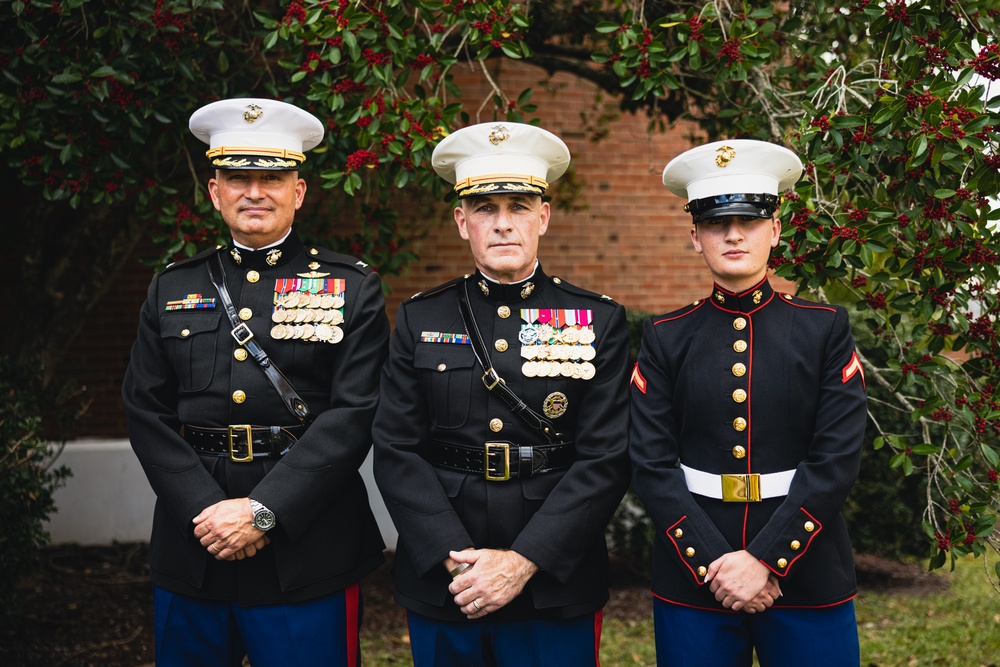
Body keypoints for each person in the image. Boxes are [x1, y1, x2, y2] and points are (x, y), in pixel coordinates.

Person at [122, 98, 389, 667]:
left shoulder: (353, 287)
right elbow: (145, 411)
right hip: (194, 541)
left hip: (309, 545)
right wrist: (208, 512)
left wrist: (264, 510)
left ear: (299, 191)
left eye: (272, 177)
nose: (255, 192)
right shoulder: (172, 286)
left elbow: (355, 413)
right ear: (215, 191)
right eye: (238, 177)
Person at [372, 122, 631, 666]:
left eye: (519, 206)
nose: (503, 223)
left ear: (544, 216)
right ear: (462, 222)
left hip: (555, 575)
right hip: (449, 576)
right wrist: (455, 557)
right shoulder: (421, 318)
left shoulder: (598, 320)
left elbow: (606, 456)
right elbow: (396, 448)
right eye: (486, 209)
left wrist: (523, 561)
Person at [629, 139, 868, 666]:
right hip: (695, 578)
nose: (733, 234)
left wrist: (766, 560)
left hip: (808, 571)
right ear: (695, 237)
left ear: (775, 230)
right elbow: (649, 465)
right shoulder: (667, 337)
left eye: (750, 220)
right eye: (716, 223)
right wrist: (716, 563)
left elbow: (836, 460)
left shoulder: (823, 330)